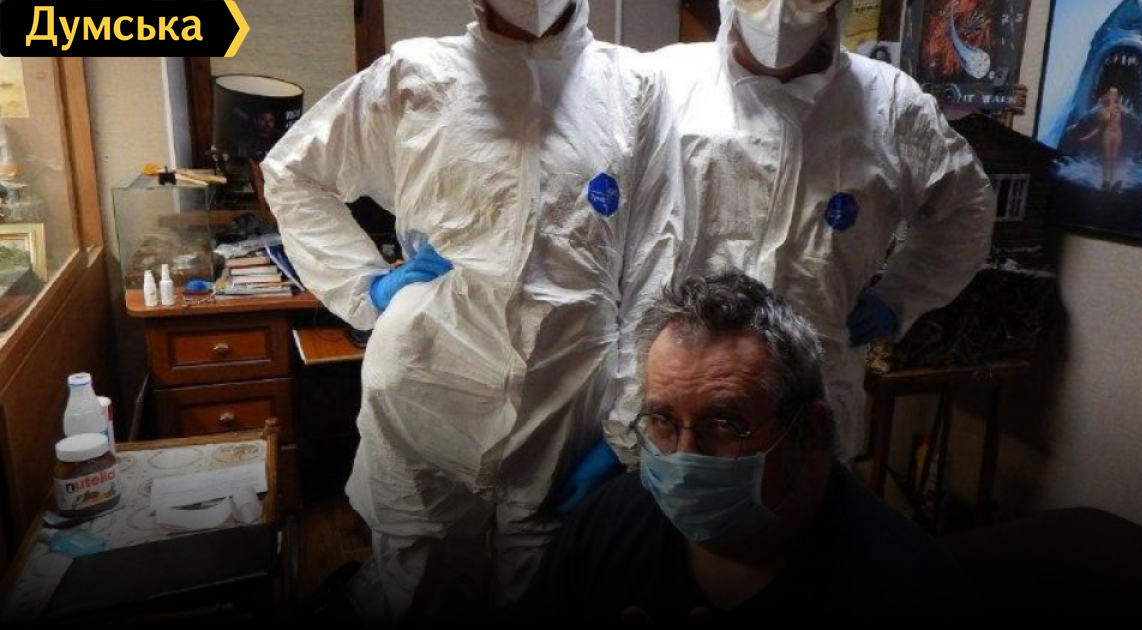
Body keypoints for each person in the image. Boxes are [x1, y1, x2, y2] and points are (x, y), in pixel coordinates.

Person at [260, 0, 681, 626]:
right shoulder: (415, 75)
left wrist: (626, 431)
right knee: (423, 595)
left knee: (541, 599)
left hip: (565, 408)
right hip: (426, 394)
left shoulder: (635, 86)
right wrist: (368, 285)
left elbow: (654, 265)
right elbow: (294, 173)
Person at [629, 0, 996, 466]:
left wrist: (898, 297)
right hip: (679, 396)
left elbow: (966, 208)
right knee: (674, 501)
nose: (779, 10)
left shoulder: (889, 104)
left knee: (801, 499)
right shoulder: (665, 83)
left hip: (813, 389)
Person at [507, 270, 983, 625]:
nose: (684, 457)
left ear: (809, 431)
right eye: (663, 422)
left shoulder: (912, 592)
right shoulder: (608, 525)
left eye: (722, 425)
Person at [1079, 86, 1124, 190]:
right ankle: (1105, 181)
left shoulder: (1120, 108)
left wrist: (1116, 106)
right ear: (1108, 95)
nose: (1113, 96)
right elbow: (1099, 128)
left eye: (1115, 94)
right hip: (1108, 134)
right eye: (1111, 94)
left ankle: (1113, 181)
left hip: (1118, 134)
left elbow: (1123, 109)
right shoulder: (1103, 110)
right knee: (1107, 157)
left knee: (1114, 158)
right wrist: (1086, 137)